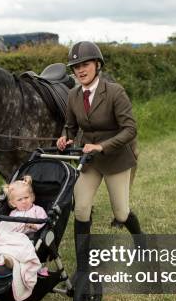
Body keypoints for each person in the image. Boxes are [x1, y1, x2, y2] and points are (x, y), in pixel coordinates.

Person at [56, 41, 145, 266]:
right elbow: (70, 126)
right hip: (89, 160)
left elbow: (130, 129)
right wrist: (64, 136)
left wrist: (102, 146)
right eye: (76, 67)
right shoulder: (73, 95)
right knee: (82, 209)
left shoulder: (115, 92)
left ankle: (141, 242)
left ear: (97, 64)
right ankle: (83, 267)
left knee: (122, 214)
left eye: (85, 64)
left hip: (115, 158)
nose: (80, 70)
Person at [0, 175, 48, 275]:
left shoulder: (37, 210)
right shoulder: (13, 213)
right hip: (12, 235)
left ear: (32, 197)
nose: (24, 201)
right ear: (13, 203)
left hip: (27, 237)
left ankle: (9, 261)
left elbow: (43, 220)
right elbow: (8, 225)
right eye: (19, 200)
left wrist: (33, 225)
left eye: (26, 197)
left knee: (19, 247)